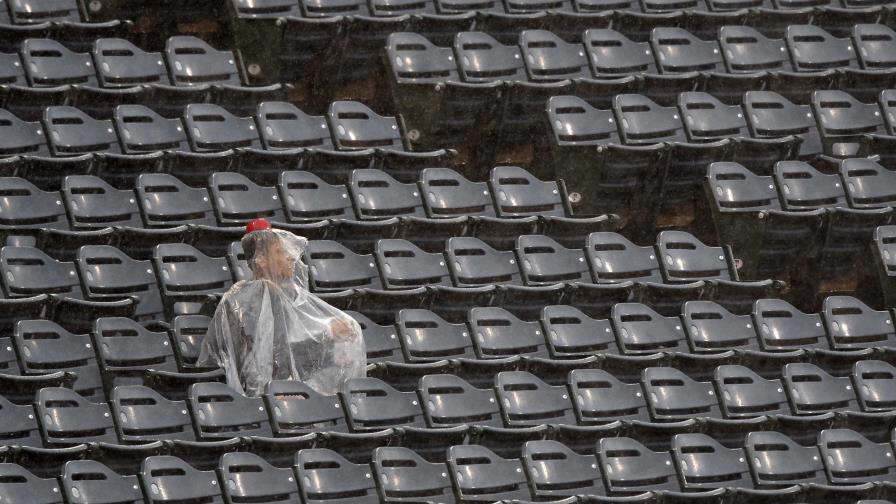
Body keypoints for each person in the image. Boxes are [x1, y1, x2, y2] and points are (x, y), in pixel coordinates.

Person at [197, 218, 365, 397]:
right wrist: (327, 335)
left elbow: (292, 356)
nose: (291, 256)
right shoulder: (242, 300)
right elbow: (255, 362)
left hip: (285, 390)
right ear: (260, 260)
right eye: (280, 251)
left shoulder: (286, 296)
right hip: (258, 398)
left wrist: (331, 345)